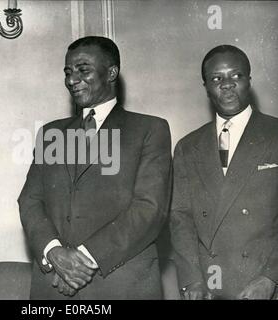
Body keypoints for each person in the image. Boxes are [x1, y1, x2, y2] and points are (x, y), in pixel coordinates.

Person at [18, 36, 172, 299]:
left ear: (111, 72)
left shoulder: (150, 129)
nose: (71, 80)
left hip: (120, 286)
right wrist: (54, 253)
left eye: (83, 70)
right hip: (53, 286)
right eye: (68, 72)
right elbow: (30, 200)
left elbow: (150, 209)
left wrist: (82, 261)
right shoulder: (50, 133)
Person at [170, 45, 278, 300]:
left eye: (236, 76)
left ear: (249, 81)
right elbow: (180, 218)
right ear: (206, 86)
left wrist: (271, 278)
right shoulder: (188, 146)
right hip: (207, 289)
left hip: (263, 283)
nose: (227, 84)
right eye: (217, 78)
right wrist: (191, 281)